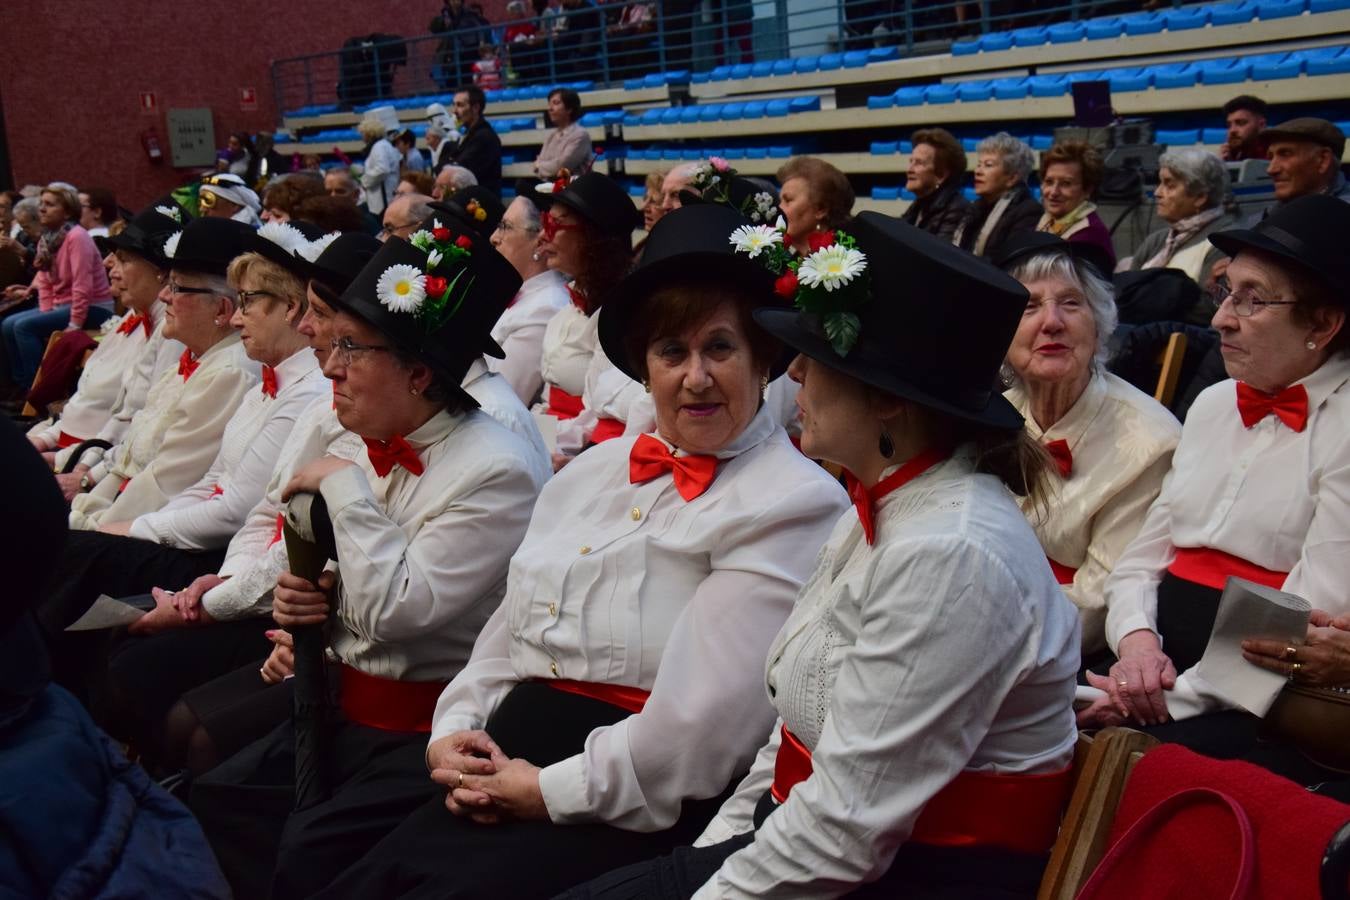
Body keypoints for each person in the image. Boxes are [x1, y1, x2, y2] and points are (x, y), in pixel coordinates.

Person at [306, 202, 849, 899]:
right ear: (644, 367)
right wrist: (456, 729)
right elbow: (510, 628)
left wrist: (543, 790)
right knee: (323, 858)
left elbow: (698, 734)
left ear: (763, 359)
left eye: (719, 348)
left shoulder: (791, 502)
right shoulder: (595, 471)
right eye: (671, 352)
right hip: (505, 755)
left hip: (625, 802)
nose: (695, 377)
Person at [565, 212, 1080, 900]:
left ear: (889, 401)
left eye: (819, 359)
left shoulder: (951, 552)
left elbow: (845, 833)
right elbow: (793, 740)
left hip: (911, 879)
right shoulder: (885, 503)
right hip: (809, 849)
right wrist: (707, 855)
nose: (796, 371)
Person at [191, 221, 548, 899]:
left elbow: (397, 614)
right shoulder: (370, 437)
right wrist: (311, 609)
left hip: (421, 733)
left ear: (418, 373)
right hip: (337, 701)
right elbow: (336, 579)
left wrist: (342, 487)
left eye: (351, 347)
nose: (328, 363)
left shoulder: (493, 468)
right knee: (216, 798)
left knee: (303, 854)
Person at [1085, 196, 1350, 747]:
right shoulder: (1212, 404)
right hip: (1154, 666)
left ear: (1323, 325)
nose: (1221, 318)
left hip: (1258, 697)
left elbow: (1306, 622)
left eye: (1252, 300)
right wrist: (1136, 645)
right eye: (1226, 291)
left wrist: (1161, 701)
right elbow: (1142, 557)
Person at [41, 223, 325, 651]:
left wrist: (131, 528)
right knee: (74, 558)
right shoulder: (264, 380)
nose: (235, 317)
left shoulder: (275, 382)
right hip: (215, 549)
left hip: (217, 553)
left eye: (246, 302)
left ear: (288, 308)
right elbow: (210, 480)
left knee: (79, 563)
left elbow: (236, 511)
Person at [0, 417, 231, 900]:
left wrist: (109, 518)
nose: (333, 362)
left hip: (190, 552)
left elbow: (226, 505)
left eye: (350, 346)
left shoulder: (233, 374)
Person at [998, 233, 1181, 659]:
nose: (1052, 322)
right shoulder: (992, 419)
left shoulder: (1150, 444)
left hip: (1059, 651)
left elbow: (1098, 605)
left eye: (1071, 303)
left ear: (1098, 328)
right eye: (1029, 306)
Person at [64, 218, 260, 533]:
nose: (164, 296)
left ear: (222, 310)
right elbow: (130, 458)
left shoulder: (230, 373)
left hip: (144, 527)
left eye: (177, 287)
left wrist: (90, 526)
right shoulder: (192, 360)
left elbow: (165, 485)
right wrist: (82, 511)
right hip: (117, 511)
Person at [28, 205, 184, 486]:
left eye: (123, 259)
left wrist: (82, 472)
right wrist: (51, 443)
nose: (109, 266)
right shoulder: (142, 320)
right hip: (82, 455)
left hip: (98, 463)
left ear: (160, 271)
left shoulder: (171, 333)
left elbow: (140, 421)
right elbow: (111, 408)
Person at [532, 173, 640, 456]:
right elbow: (547, 403)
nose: (544, 234)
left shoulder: (623, 317)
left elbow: (600, 421)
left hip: (584, 452)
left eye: (555, 224)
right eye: (545, 221)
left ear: (593, 237)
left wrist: (529, 437)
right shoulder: (568, 309)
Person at [0, 183, 114, 389]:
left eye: (50, 205)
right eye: (41, 203)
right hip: (64, 306)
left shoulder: (77, 237)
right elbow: (44, 281)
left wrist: (74, 325)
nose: (41, 209)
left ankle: (38, 390)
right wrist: (45, 312)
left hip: (93, 308)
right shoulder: (49, 239)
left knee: (23, 327)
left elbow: (83, 286)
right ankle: (20, 388)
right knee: (8, 324)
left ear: (67, 211)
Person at [1116, 148, 1237, 294]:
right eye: (1160, 183)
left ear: (1200, 197)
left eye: (1169, 185)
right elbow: (1124, 293)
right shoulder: (1155, 241)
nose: (1157, 193)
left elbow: (1210, 308)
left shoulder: (1222, 242)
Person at [488, 195, 569, 404]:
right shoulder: (524, 295)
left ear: (539, 242)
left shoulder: (546, 307)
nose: (494, 237)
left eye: (505, 227)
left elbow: (502, 398)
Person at [953, 132, 1043, 258]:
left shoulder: (1028, 212)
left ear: (1012, 177)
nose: (978, 171)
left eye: (988, 165)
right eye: (979, 164)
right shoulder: (975, 208)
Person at [1035, 141, 1116, 269]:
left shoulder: (1090, 235)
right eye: (1049, 182)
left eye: (1066, 183)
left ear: (1088, 189)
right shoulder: (1046, 221)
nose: (1054, 192)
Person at [775, 156, 855, 256]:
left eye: (788, 200)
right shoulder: (781, 257)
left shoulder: (847, 259)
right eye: (780, 201)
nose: (778, 209)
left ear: (820, 210)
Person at [1260, 117, 1349, 207]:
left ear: (1323, 160)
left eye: (1285, 154)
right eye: (1271, 157)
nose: (1271, 170)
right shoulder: (1262, 218)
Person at [900, 127, 970, 241]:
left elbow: (937, 255)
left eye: (919, 163)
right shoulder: (918, 205)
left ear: (941, 175)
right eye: (911, 161)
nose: (909, 170)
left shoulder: (957, 210)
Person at [445, 85, 503, 191]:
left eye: (460, 105)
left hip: (479, 203)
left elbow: (459, 171)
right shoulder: (467, 134)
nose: (454, 111)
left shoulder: (484, 137)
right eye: (454, 105)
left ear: (476, 108)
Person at [534, 88, 592, 179]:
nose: (550, 108)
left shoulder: (580, 135)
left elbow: (562, 167)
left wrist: (540, 166)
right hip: (551, 187)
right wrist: (542, 166)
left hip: (575, 189)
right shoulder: (551, 136)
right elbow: (539, 164)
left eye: (555, 103)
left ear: (569, 109)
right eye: (549, 104)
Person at [358, 113, 403, 217]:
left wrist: (364, 181)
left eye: (363, 133)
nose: (362, 136)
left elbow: (382, 169)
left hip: (383, 198)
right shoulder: (382, 145)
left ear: (369, 133)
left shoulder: (379, 146)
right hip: (384, 193)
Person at [198, 173, 263, 228]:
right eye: (200, 202)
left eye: (208, 201)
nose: (202, 209)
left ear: (234, 205)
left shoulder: (252, 236)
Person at [1219, 95, 1268, 162]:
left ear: (1261, 125)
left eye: (1241, 123)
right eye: (1229, 125)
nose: (1232, 130)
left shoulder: (1271, 159)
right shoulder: (1232, 156)